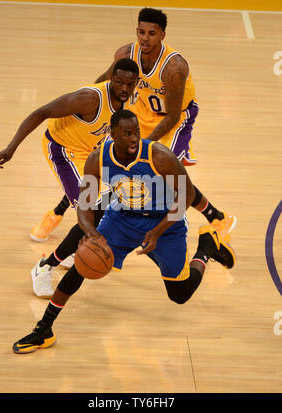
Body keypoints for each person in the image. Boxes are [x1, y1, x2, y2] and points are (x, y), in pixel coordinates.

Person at [12, 109, 236, 354]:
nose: (133, 138)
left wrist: (158, 231)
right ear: (112, 134)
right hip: (121, 219)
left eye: (136, 133)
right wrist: (91, 232)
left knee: (180, 294)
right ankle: (44, 328)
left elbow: (188, 195)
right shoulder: (97, 159)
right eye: (127, 133)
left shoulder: (159, 156)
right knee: (80, 265)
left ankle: (206, 246)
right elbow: (85, 205)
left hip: (164, 223)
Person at [30, 7, 236, 243]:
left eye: (151, 33)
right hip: (141, 112)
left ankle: (218, 218)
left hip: (175, 119)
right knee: (97, 162)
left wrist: (144, 148)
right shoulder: (126, 54)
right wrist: (95, 107)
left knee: (166, 173)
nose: (145, 38)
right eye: (141, 32)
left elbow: (172, 116)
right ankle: (57, 213)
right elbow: (104, 83)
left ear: (162, 35)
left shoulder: (173, 68)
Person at [0, 58, 140, 296]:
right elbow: (42, 112)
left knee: (110, 203)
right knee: (90, 211)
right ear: (111, 78)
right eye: (120, 82)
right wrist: (11, 148)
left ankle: (73, 247)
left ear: (136, 83)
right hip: (63, 151)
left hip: (90, 152)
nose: (124, 88)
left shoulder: (126, 98)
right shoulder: (89, 98)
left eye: (130, 84)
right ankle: (44, 267)